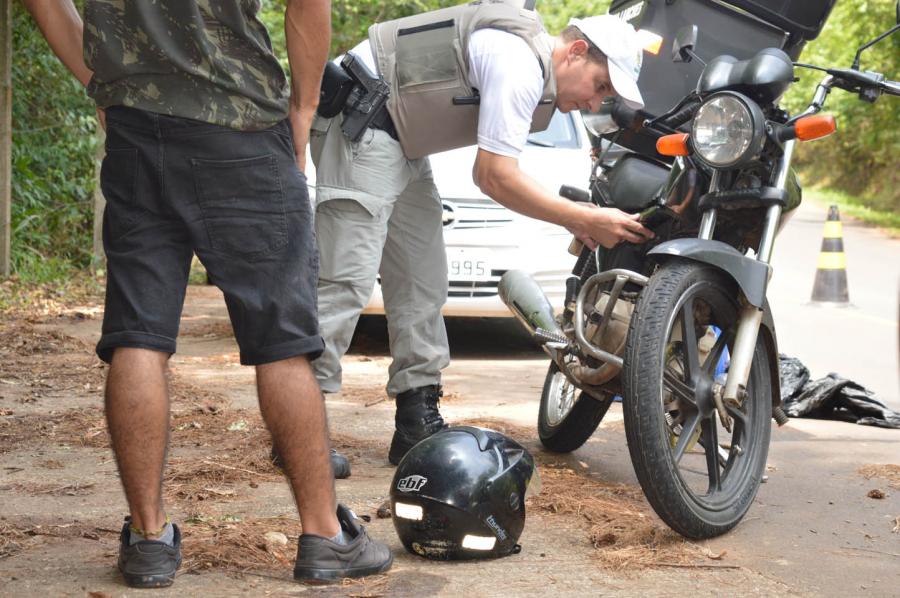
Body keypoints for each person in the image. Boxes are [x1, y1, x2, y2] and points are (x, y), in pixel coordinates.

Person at [22, 0, 391, 587]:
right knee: (282, 342)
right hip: (241, 125)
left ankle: (149, 540)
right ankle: (324, 536)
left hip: (137, 128)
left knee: (138, 333)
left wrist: (104, 81)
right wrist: (303, 107)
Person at [310, 2, 653, 468]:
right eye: (600, 85)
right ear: (574, 52)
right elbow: (493, 176)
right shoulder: (519, 64)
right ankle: (303, 432)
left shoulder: (529, 64)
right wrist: (579, 218)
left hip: (401, 141)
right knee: (344, 283)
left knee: (422, 280)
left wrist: (577, 213)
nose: (596, 103)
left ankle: (416, 416)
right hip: (361, 121)